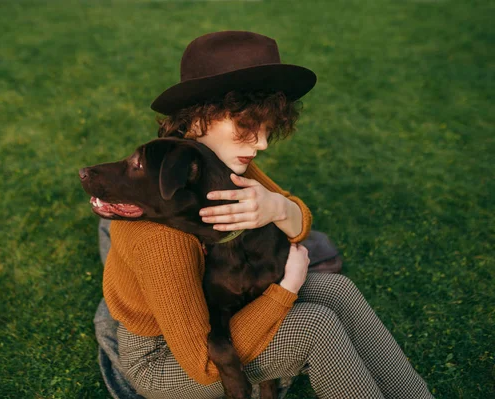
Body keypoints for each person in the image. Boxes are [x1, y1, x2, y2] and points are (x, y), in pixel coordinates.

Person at [101, 31, 434, 399]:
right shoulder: (161, 238)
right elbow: (204, 363)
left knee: (338, 289)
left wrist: (278, 208)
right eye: (245, 127)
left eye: (267, 130)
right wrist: (285, 291)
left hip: (221, 309)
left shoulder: (220, 163)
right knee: (314, 326)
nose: (260, 144)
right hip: (167, 359)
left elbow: (299, 220)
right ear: (197, 120)